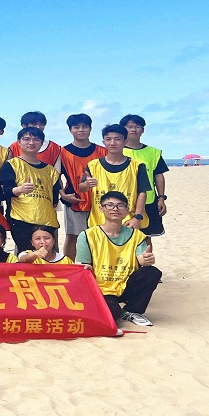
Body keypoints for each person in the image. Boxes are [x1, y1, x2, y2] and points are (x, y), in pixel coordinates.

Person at [77, 192, 160, 328]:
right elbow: (84, 265)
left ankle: (132, 311)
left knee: (152, 272)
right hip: (102, 288)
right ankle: (114, 308)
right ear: (101, 208)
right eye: (109, 205)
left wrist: (147, 259)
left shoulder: (137, 235)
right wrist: (87, 268)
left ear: (127, 210)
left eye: (120, 205)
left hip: (127, 284)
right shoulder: (87, 235)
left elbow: (142, 259)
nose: (115, 209)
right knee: (112, 313)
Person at [0, 127, 62, 252]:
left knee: (47, 255)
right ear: (19, 142)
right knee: (27, 255)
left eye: (36, 140)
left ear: (42, 143)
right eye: (26, 139)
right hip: (21, 218)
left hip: (47, 220)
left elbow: (55, 197)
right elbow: (6, 190)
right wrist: (19, 189)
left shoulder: (50, 170)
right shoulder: (11, 164)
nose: (31, 143)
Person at [58, 114, 108, 260]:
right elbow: (55, 176)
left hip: (100, 200)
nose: (81, 130)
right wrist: (63, 195)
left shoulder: (102, 151)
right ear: (70, 130)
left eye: (85, 126)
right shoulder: (63, 152)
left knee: (100, 235)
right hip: (75, 200)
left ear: (90, 129)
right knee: (73, 236)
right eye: (76, 127)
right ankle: (69, 266)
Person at [81, 125, 149, 230]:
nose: (112, 143)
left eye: (117, 139)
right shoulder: (93, 165)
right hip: (99, 221)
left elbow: (142, 192)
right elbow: (82, 188)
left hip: (128, 221)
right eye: (108, 139)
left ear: (125, 141)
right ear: (103, 142)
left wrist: (137, 217)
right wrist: (86, 184)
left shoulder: (137, 166)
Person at [121, 114, 169, 244]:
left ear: (143, 130)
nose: (133, 129)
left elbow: (158, 175)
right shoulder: (116, 150)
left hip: (149, 199)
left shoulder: (153, 152)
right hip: (123, 200)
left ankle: (146, 258)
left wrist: (161, 198)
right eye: (129, 126)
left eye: (137, 126)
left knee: (146, 237)